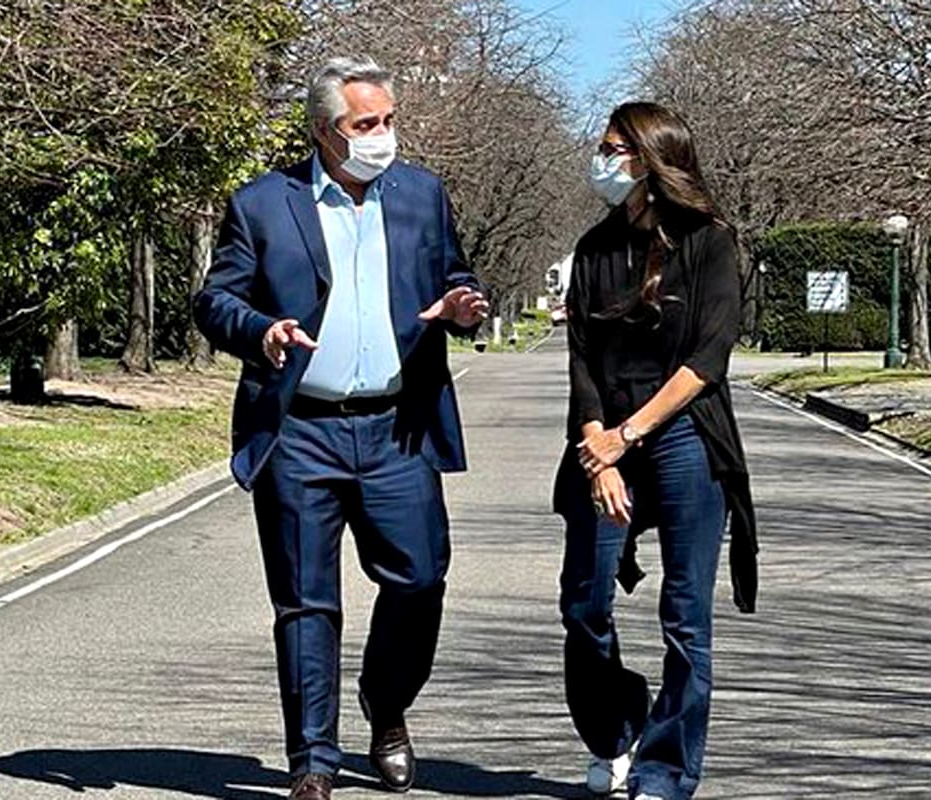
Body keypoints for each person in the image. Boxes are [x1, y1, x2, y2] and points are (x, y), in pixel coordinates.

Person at [194, 56, 488, 800]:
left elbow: (456, 272)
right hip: (300, 432)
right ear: (327, 131)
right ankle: (313, 763)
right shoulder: (264, 204)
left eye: (389, 120)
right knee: (305, 602)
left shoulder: (421, 194)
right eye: (367, 125)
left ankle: (384, 705)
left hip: (398, 427)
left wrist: (463, 303)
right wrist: (260, 330)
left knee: (420, 580)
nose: (383, 136)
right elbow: (215, 301)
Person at [552, 102, 758, 800]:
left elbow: (706, 361)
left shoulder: (709, 243)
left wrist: (628, 435)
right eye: (603, 145)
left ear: (651, 160)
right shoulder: (594, 249)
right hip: (602, 440)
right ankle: (616, 727)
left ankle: (666, 768)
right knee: (584, 602)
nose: (602, 159)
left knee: (685, 612)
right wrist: (598, 448)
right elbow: (580, 359)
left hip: (683, 435)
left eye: (615, 148)